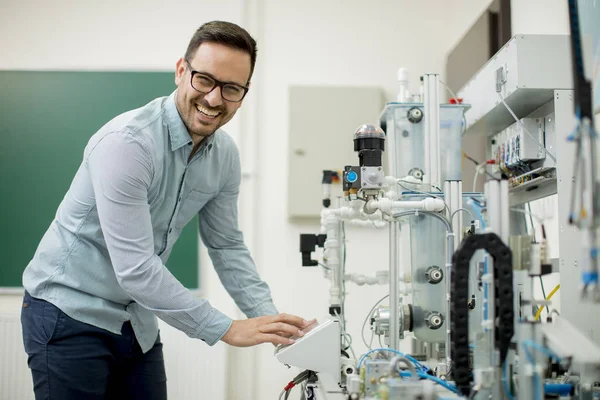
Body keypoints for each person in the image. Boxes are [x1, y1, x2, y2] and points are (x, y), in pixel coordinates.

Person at [21, 20, 312, 399]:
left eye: (231, 88)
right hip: (68, 312)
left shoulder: (224, 156)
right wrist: (226, 328)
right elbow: (137, 269)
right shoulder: (128, 144)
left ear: (244, 92)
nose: (213, 99)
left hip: (136, 320)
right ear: (180, 71)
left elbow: (226, 246)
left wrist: (274, 325)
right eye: (204, 80)